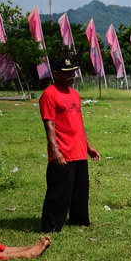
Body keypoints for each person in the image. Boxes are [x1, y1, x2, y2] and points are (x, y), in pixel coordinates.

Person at [40, 55, 100, 233]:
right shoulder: (49, 94)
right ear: (56, 74)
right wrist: (55, 151)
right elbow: (49, 124)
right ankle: (51, 226)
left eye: (73, 72)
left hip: (79, 150)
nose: (72, 76)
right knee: (59, 192)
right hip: (63, 151)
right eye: (67, 73)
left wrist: (88, 146)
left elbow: (78, 123)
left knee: (80, 191)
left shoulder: (74, 94)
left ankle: (79, 220)